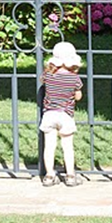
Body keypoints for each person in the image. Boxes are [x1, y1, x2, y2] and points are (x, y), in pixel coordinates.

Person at [39, 41, 84, 186]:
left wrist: (50, 70)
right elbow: (78, 96)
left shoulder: (49, 75)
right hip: (65, 115)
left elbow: (42, 80)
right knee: (67, 146)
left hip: (49, 114)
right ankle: (70, 175)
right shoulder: (74, 78)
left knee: (49, 146)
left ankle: (49, 175)